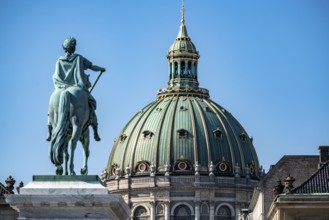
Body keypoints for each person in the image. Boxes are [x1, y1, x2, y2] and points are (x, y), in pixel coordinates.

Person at [47, 37, 105, 142]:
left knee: (51, 109)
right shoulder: (79, 58)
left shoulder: (59, 61)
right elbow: (92, 66)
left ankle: (49, 130)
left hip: (60, 87)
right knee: (91, 104)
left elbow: (55, 76)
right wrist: (100, 69)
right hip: (77, 88)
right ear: (73, 47)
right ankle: (95, 131)